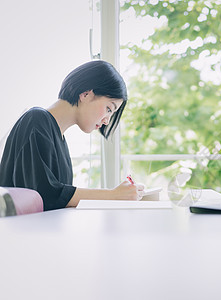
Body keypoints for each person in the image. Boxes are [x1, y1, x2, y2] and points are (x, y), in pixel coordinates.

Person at [0, 60, 144, 211]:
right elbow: (46, 194)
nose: (107, 121)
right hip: (22, 231)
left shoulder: (59, 138)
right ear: (86, 94)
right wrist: (114, 195)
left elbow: (58, 197)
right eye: (109, 108)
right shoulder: (36, 120)